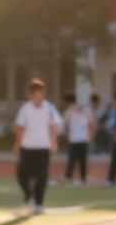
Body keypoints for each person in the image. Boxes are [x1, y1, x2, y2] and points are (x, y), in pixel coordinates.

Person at [13, 78, 61, 215]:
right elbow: (20, 127)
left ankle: (39, 204)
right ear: (30, 94)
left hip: (43, 147)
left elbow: (54, 125)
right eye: (34, 93)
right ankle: (29, 195)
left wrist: (54, 141)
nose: (37, 95)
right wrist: (17, 144)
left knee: (41, 176)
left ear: (43, 93)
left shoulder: (49, 107)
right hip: (27, 146)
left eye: (39, 92)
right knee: (21, 174)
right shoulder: (25, 108)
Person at [61, 92, 93, 184]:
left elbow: (65, 125)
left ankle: (70, 177)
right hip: (80, 138)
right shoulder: (84, 110)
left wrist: (67, 135)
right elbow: (91, 124)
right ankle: (81, 178)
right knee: (79, 160)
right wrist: (90, 136)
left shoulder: (70, 111)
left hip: (77, 138)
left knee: (74, 160)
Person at [91, 91, 111, 157]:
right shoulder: (91, 108)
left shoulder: (103, 107)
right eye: (93, 101)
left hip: (103, 126)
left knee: (103, 133)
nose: (94, 103)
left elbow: (105, 117)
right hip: (95, 127)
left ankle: (105, 149)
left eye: (95, 101)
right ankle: (97, 149)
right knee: (96, 136)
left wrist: (99, 123)